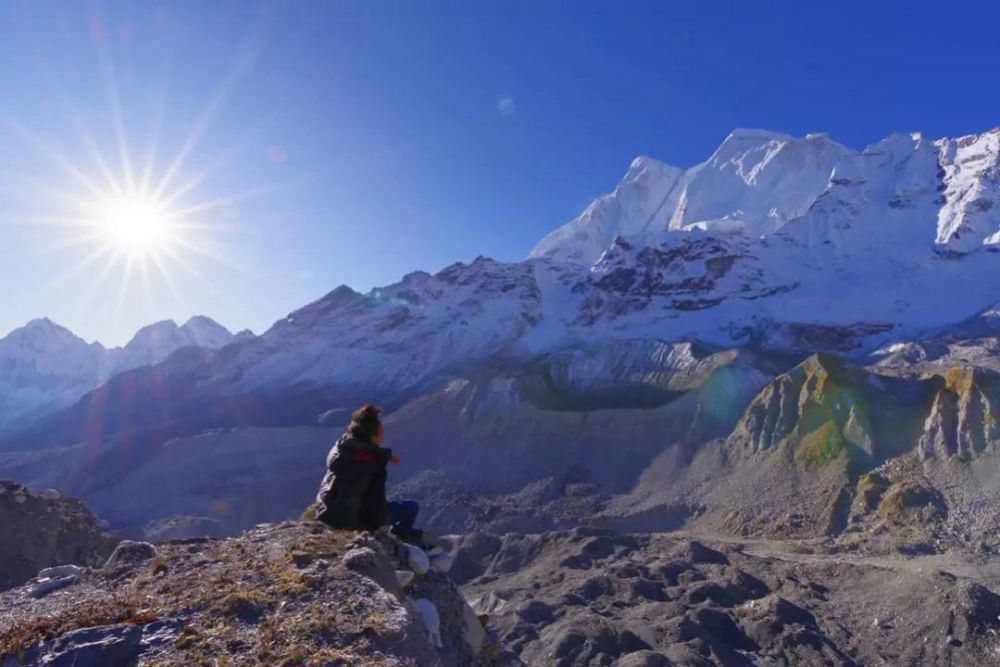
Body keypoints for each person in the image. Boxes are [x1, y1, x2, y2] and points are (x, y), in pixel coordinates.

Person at [315, 404, 423, 544]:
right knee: (411, 508)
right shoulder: (369, 465)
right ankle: (400, 543)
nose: (384, 433)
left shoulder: (341, 448)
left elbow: (364, 451)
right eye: (380, 430)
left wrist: (386, 455)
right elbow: (374, 504)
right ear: (372, 435)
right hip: (349, 522)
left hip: (326, 513)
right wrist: (375, 527)